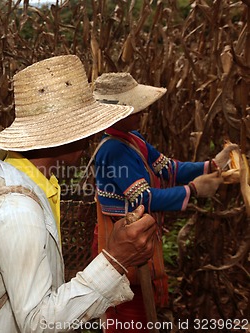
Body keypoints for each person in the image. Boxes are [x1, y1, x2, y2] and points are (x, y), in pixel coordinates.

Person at [0, 55, 158, 332]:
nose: (91, 139)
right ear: (66, 136)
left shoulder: (33, 182)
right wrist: (115, 259)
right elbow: (38, 324)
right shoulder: (17, 214)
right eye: (87, 130)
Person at [91, 72, 238, 332]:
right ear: (120, 114)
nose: (144, 113)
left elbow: (169, 168)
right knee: (126, 315)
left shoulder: (133, 140)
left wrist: (213, 164)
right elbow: (143, 199)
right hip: (119, 244)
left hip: (133, 241)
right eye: (137, 109)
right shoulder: (113, 150)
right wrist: (193, 190)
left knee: (137, 313)